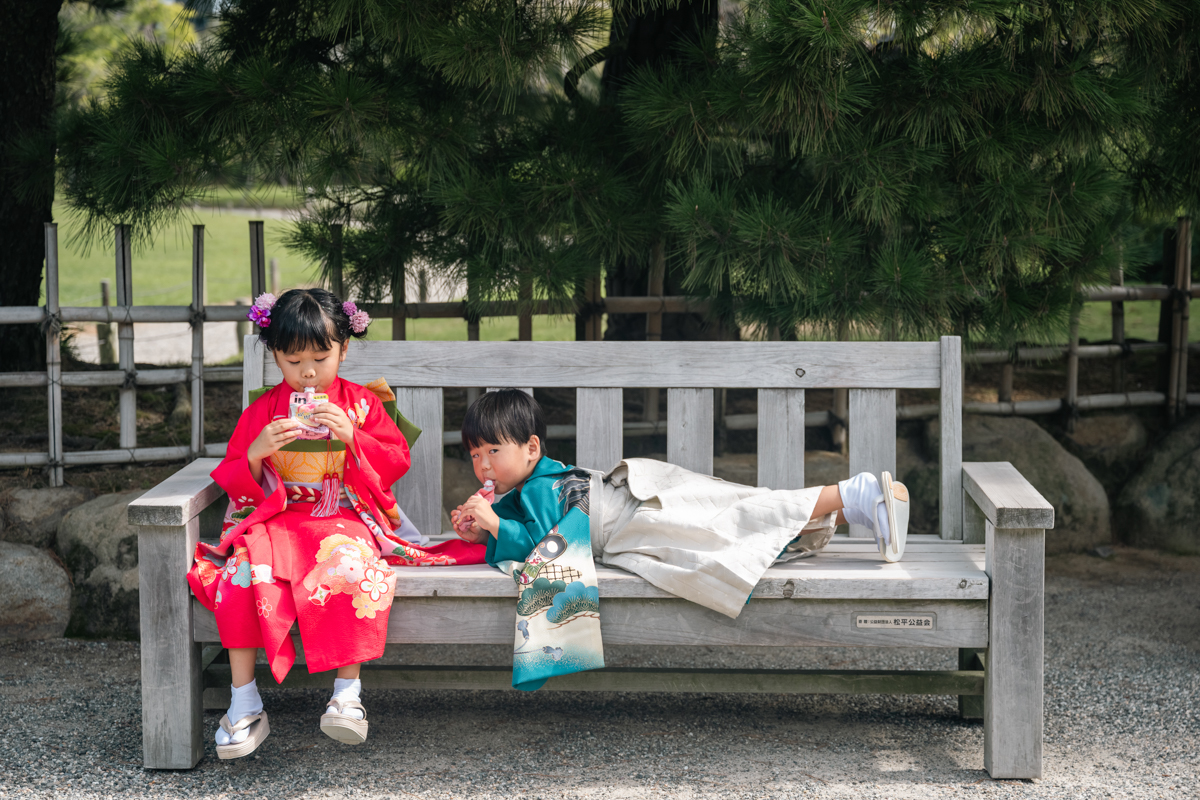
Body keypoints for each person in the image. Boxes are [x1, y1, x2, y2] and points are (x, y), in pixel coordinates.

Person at [186, 288, 484, 760]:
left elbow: (395, 461)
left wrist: (353, 436)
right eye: (293, 360)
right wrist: (258, 451)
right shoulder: (263, 409)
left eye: (321, 358)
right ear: (274, 356)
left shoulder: (362, 404)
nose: (308, 372)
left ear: (344, 349)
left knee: (353, 571)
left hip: (344, 518)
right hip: (279, 519)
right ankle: (244, 702)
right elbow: (233, 471)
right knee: (240, 576)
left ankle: (347, 694)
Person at [451, 389, 909, 621]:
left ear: (531, 449)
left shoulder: (535, 488)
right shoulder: (529, 488)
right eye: (474, 454)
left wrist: (495, 524)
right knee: (735, 521)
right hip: (639, 516)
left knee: (737, 518)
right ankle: (857, 507)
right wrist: (483, 529)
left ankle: (854, 492)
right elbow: (526, 530)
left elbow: (544, 549)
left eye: (494, 451)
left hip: (640, 516)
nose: (483, 464)